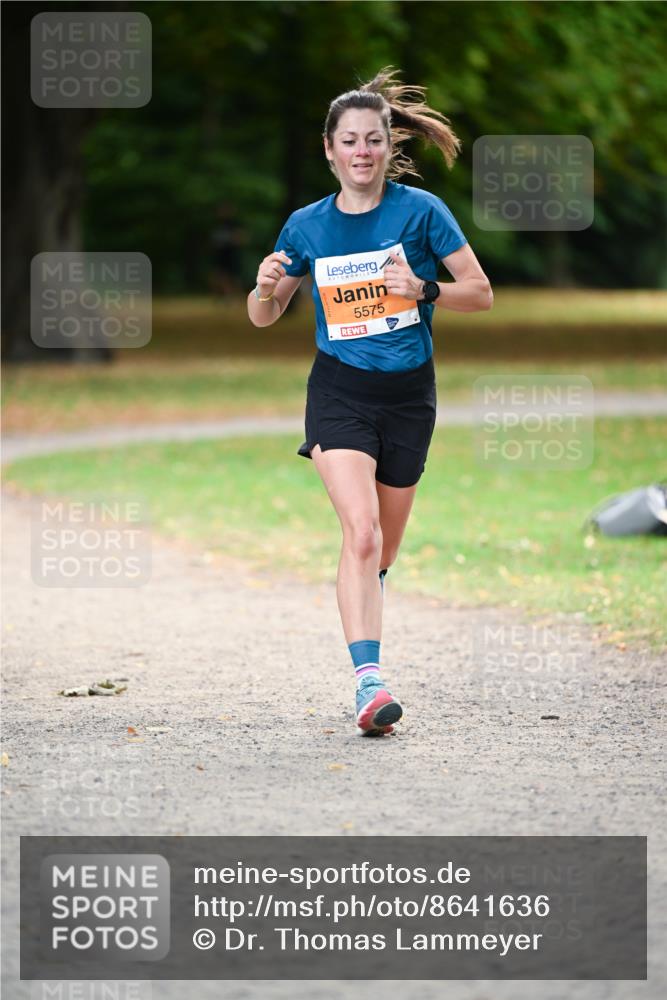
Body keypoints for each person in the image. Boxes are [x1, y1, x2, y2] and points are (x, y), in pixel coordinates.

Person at [247, 67, 493, 737]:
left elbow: (480, 291)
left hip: (410, 399)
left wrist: (425, 289)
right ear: (328, 149)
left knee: (379, 554)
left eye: (372, 140)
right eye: (348, 140)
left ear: (388, 147)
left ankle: (364, 629)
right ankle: (369, 683)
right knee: (360, 533)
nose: (361, 152)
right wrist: (266, 286)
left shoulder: (421, 212)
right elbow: (263, 316)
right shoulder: (306, 226)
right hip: (339, 392)